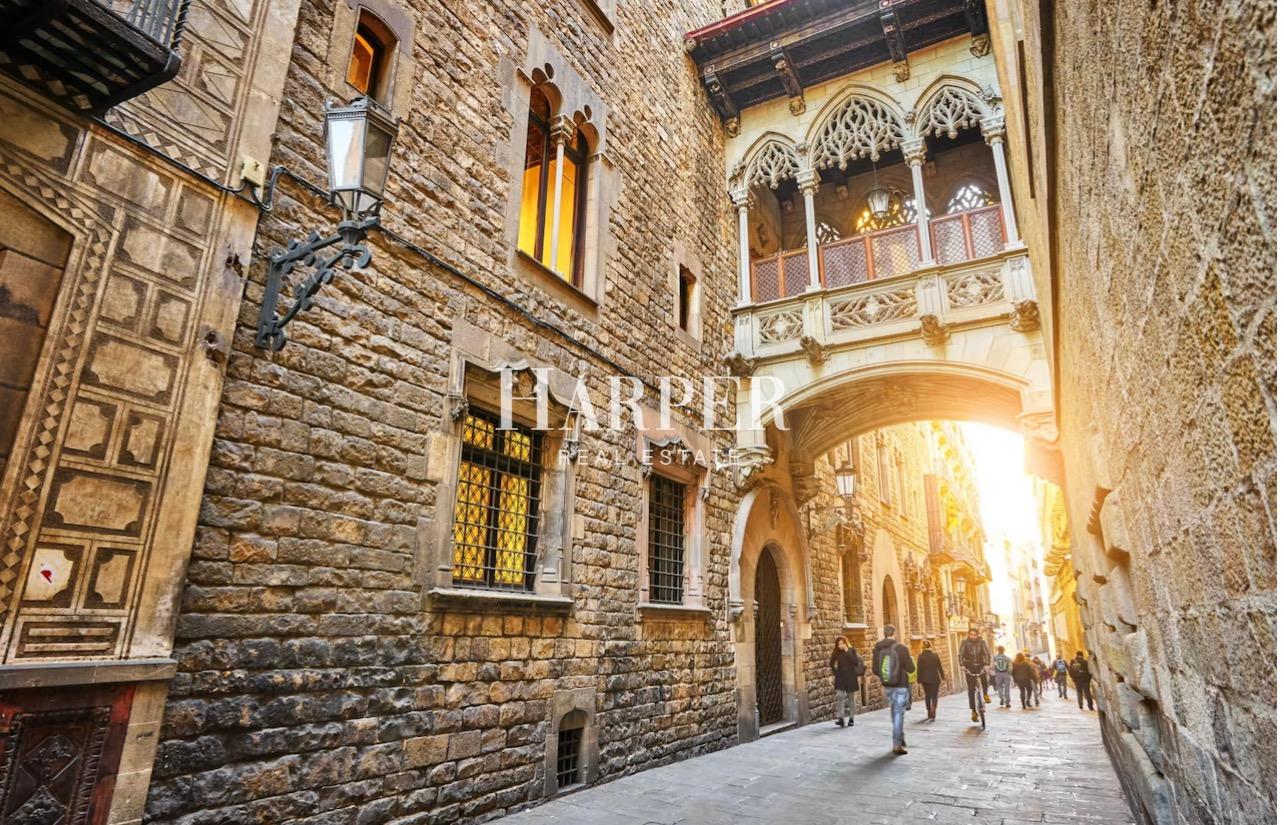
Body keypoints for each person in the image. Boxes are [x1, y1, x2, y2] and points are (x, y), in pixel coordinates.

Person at [873, 624, 915, 754]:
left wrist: (887, 676)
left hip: (887, 686)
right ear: (894, 634)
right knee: (898, 713)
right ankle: (897, 745)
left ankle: (900, 737)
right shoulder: (901, 648)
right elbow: (911, 668)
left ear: (884, 634)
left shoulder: (878, 648)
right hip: (901, 685)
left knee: (894, 710)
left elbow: (875, 669)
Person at [958, 628, 991, 722]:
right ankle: (973, 711)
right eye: (971, 634)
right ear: (968, 635)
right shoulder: (964, 642)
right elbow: (960, 654)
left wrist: (987, 664)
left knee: (984, 679)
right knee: (971, 689)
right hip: (969, 666)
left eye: (975, 635)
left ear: (977, 635)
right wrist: (962, 665)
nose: (973, 636)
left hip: (980, 665)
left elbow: (987, 654)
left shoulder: (982, 642)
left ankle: (985, 694)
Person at [829, 636, 864, 727]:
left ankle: (851, 718)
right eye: (839, 644)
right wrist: (836, 672)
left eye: (842, 643)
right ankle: (841, 718)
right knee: (839, 696)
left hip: (850, 677)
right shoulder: (836, 652)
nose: (840, 645)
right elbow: (831, 663)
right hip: (840, 678)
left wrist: (847, 651)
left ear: (846, 643)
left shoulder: (852, 650)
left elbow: (855, 662)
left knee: (850, 699)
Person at [916, 640, 946, 721]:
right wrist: (943, 677)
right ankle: (933, 709)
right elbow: (939, 667)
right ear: (930, 646)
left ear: (923, 647)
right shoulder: (935, 656)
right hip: (935, 679)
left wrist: (918, 679)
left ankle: (929, 711)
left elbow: (919, 669)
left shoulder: (920, 656)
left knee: (927, 695)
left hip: (924, 679)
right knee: (934, 696)